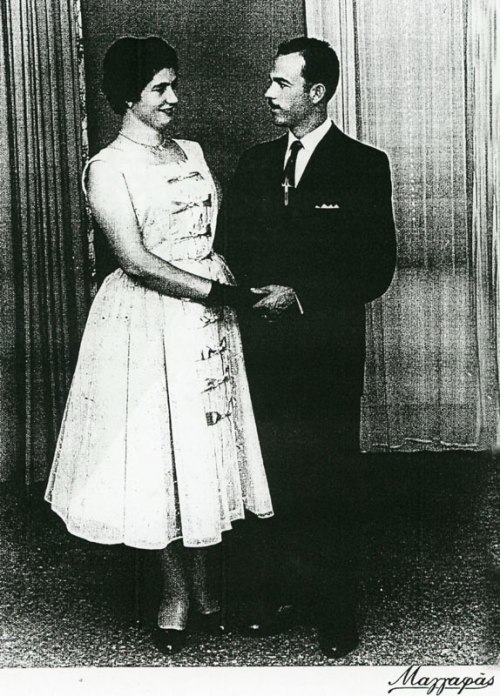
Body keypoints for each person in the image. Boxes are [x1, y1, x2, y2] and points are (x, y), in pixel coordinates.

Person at [44, 36, 273, 656]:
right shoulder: (107, 167)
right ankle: (173, 595)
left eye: (174, 85)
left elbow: (209, 233)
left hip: (207, 318)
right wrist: (221, 293)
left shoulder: (192, 151)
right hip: (147, 320)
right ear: (128, 96)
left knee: (204, 443)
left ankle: (208, 590)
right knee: (160, 450)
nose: (173, 98)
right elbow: (136, 261)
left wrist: (227, 288)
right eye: (159, 89)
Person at [217, 36, 397, 659]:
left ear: (316, 93)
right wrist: (254, 296)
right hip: (257, 347)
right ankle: (273, 595)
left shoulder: (363, 166)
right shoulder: (255, 163)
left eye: (281, 84)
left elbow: (374, 268)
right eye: (270, 81)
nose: (267, 93)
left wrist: (300, 295)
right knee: (266, 471)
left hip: (326, 354)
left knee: (328, 478)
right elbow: (229, 246)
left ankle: (335, 609)